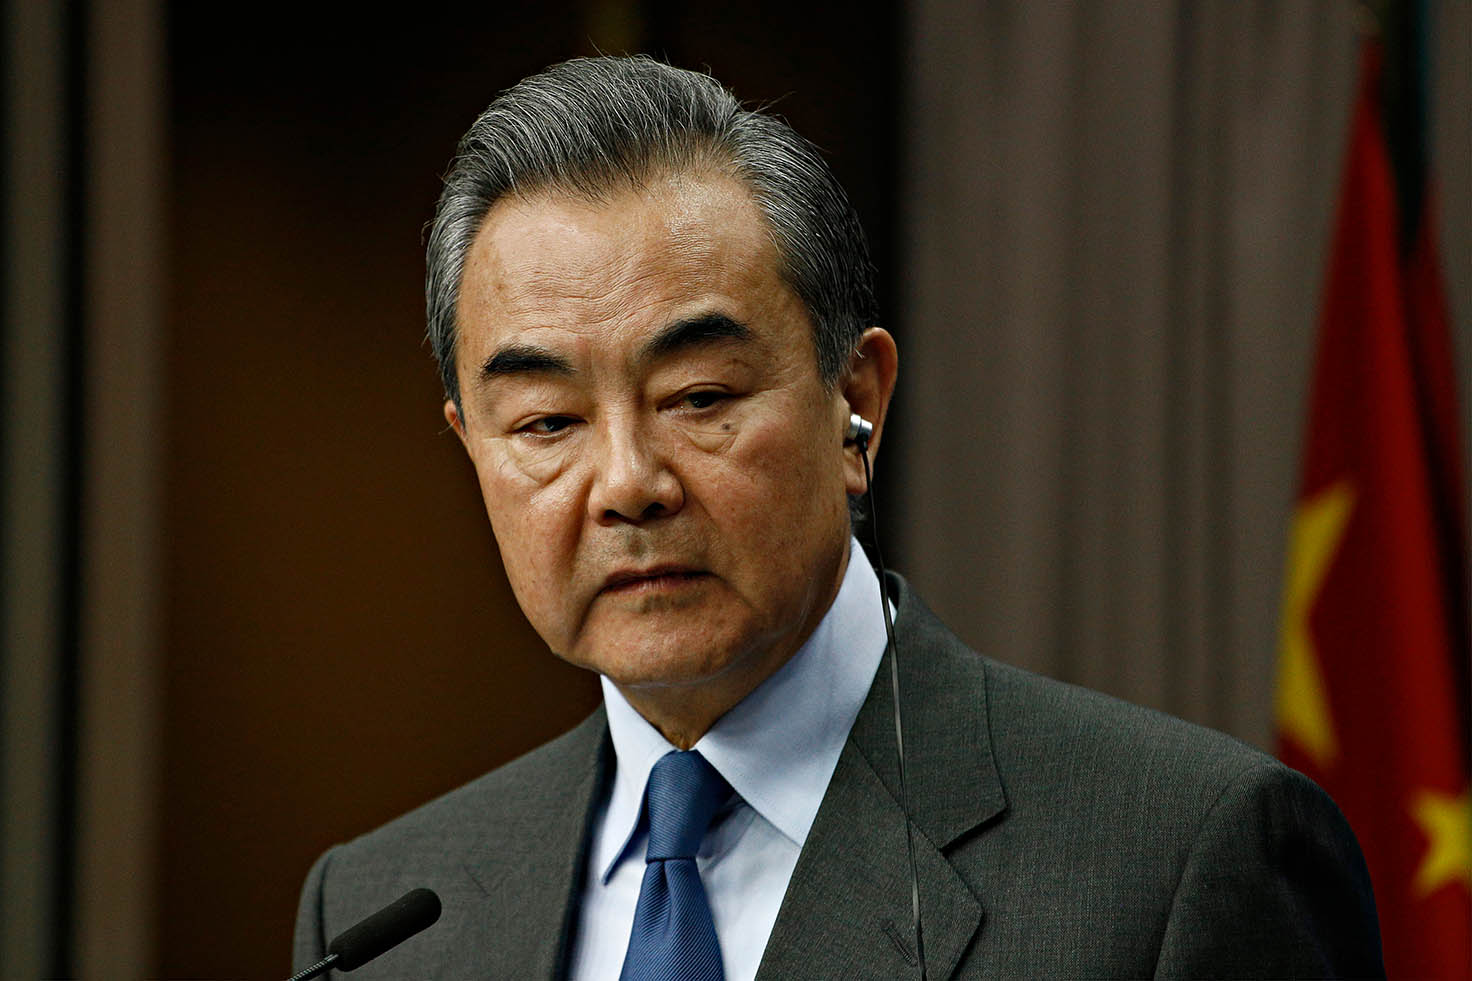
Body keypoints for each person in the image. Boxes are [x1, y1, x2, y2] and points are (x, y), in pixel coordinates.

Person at [293, 56, 1383, 979]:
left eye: (699, 399)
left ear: (854, 400)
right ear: (469, 447)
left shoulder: (1180, 859)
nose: (626, 483)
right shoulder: (385, 913)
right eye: (543, 423)